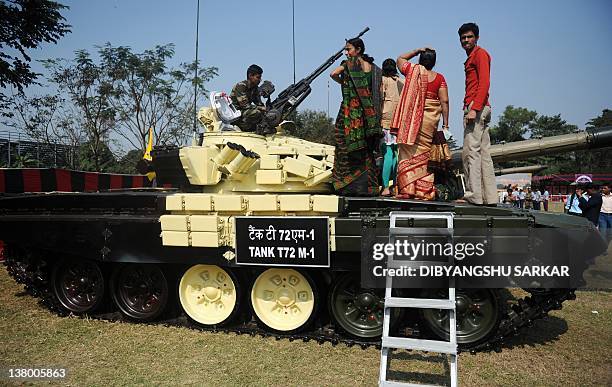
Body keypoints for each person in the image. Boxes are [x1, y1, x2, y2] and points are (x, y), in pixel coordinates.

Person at [390, 47, 450, 200]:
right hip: (429, 121)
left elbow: (400, 59)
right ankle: (423, 191)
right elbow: (444, 101)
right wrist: (446, 124)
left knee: (407, 152)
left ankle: (407, 189)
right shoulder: (439, 78)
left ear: (420, 60)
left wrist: (417, 50)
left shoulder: (412, 70)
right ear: (434, 62)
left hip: (410, 121)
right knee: (424, 155)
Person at [330, 38, 383, 196]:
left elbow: (333, 74)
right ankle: (369, 187)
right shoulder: (374, 69)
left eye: (349, 49)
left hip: (350, 115)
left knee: (344, 146)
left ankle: (346, 186)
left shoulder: (349, 65)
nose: (346, 53)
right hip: (368, 116)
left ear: (358, 50)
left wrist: (344, 82)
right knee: (366, 151)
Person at [457, 23, 496, 205]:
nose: (466, 40)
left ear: (477, 38)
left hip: (477, 107)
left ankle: (473, 195)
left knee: (470, 153)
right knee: (484, 154)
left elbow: (485, 83)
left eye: (469, 37)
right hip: (480, 106)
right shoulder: (473, 56)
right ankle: (489, 197)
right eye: (463, 38)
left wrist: (473, 108)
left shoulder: (480, 54)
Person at [380, 58, 404, 196]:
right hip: (400, 120)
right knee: (396, 154)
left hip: (386, 120)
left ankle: (385, 187)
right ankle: (395, 185)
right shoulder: (402, 82)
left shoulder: (383, 81)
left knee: (387, 153)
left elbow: (379, 99)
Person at [230, 64, 266, 132]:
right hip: (236, 113)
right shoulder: (241, 86)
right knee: (256, 112)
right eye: (258, 77)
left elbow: (259, 103)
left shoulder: (255, 89)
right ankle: (242, 127)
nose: (260, 80)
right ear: (250, 76)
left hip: (244, 112)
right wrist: (262, 108)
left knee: (265, 114)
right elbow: (244, 105)